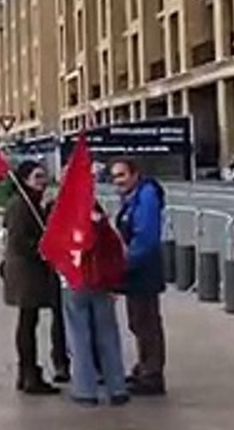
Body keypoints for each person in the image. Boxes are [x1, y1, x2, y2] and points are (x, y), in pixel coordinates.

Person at [1, 160, 67, 394]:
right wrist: (45, 250)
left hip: (29, 272)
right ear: (25, 179)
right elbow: (20, 242)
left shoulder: (32, 202)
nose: (43, 181)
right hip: (25, 273)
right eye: (37, 177)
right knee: (27, 322)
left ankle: (27, 372)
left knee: (29, 321)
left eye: (44, 176)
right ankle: (29, 373)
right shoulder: (21, 205)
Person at [60, 202, 130, 407]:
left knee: (79, 338)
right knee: (108, 337)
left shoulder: (67, 221)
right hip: (103, 285)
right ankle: (117, 388)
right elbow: (117, 253)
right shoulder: (103, 225)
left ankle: (85, 391)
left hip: (75, 284)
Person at [110, 158, 167, 396]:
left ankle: (152, 374)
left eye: (122, 175)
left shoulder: (146, 197)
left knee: (146, 322)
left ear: (135, 174)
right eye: (114, 176)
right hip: (136, 269)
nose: (117, 181)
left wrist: (125, 265)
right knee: (138, 321)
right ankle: (144, 368)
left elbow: (145, 237)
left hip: (143, 269)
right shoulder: (133, 197)